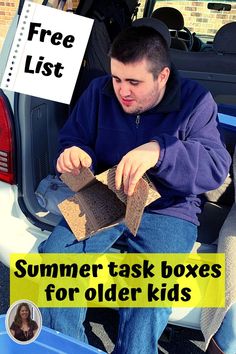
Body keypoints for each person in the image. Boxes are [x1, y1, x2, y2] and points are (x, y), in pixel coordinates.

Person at [39, 18, 231, 354]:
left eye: (134, 82)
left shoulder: (196, 101)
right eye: (116, 78)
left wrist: (162, 151)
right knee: (56, 261)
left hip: (170, 206)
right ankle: (73, 348)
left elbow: (216, 168)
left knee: (152, 290)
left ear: (163, 76)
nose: (122, 90)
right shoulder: (98, 92)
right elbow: (73, 136)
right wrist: (74, 152)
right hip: (107, 192)